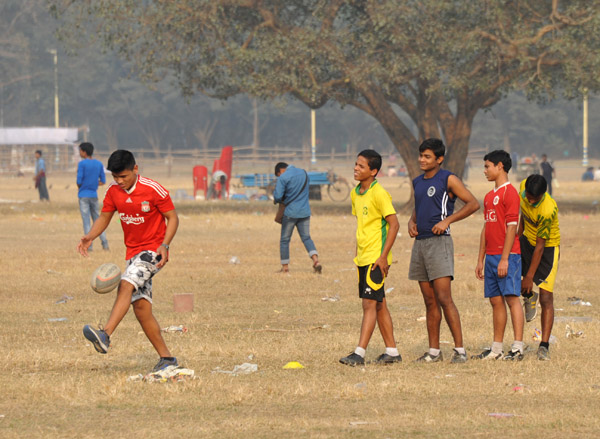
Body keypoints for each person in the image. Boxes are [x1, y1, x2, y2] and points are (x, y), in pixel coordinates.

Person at [77, 150, 180, 372]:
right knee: (141, 309)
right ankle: (167, 359)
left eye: (123, 176)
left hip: (153, 251)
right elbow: (104, 217)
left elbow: (173, 217)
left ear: (135, 169)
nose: (119, 181)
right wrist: (89, 237)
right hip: (132, 254)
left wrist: (166, 244)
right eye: (115, 177)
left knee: (126, 284)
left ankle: (104, 335)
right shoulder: (113, 192)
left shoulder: (153, 189)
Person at [408, 138, 479, 363]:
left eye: (427, 156)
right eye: (421, 155)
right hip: (420, 244)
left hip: (440, 244)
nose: (422, 160)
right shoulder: (417, 181)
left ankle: (460, 350)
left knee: (444, 298)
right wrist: (412, 221)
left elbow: (473, 204)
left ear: (439, 159)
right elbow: (419, 207)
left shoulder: (447, 178)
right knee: (429, 301)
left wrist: (447, 221)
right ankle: (434, 352)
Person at [339, 150, 401, 366]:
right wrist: (357, 252)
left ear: (374, 171)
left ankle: (359, 353)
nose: (356, 168)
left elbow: (394, 225)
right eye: (356, 164)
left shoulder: (380, 193)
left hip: (377, 258)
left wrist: (383, 257)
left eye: (362, 166)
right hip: (363, 258)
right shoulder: (356, 193)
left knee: (369, 304)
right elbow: (362, 225)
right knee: (379, 303)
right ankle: (392, 352)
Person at [474, 150, 525, 361]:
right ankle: (496, 349)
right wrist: (480, 259)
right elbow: (487, 227)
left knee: (512, 298)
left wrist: (505, 258)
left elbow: (512, 228)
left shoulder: (510, 193)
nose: (484, 171)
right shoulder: (489, 196)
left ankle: (518, 347)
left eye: (487, 166)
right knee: (495, 301)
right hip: (491, 256)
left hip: (509, 256)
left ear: (500, 166)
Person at [518, 174, 560, 361]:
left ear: (543, 195)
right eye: (528, 196)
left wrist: (529, 276)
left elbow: (541, 246)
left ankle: (544, 345)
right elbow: (523, 215)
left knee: (546, 297)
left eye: (534, 199)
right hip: (527, 239)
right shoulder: (522, 190)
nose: (529, 200)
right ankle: (529, 297)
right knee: (511, 275)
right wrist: (518, 238)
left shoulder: (547, 209)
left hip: (547, 248)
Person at [273, 162, 321, 273]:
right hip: (305, 211)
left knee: (285, 240)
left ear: (280, 171)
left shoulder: (283, 177)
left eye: (278, 175)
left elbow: (278, 196)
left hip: (290, 213)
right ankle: (316, 261)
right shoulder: (303, 173)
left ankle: (285, 267)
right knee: (306, 238)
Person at [77, 142, 109, 251]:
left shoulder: (82, 164)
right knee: (98, 221)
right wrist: (94, 184)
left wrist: (83, 185)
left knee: (86, 222)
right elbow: (103, 181)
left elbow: (78, 181)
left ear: (84, 152)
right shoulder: (99, 164)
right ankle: (105, 244)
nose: (80, 153)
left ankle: (89, 246)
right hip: (94, 195)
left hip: (83, 195)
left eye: (80, 151)